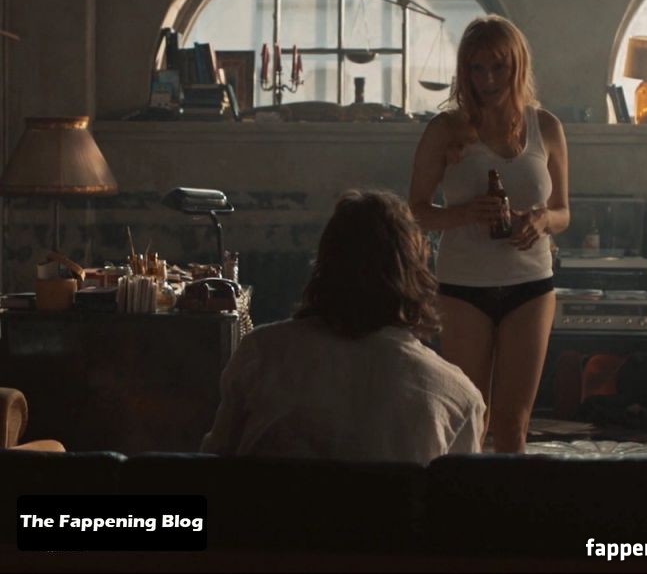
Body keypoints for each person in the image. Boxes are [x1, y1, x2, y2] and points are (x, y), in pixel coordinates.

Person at [201, 189, 485, 464]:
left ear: (324, 264)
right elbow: (458, 494)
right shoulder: (457, 397)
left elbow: (214, 466)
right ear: (417, 274)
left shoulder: (262, 354)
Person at [409, 15, 569, 453]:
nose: (488, 80)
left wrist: (540, 221)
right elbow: (416, 211)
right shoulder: (446, 130)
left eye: (498, 67)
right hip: (464, 287)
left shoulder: (547, 127)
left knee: (514, 425)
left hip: (530, 286)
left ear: (517, 66)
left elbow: (563, 212)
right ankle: (465, 496)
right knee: (468, 420)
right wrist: (463, 214)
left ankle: (508, 499)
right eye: (477, 69)